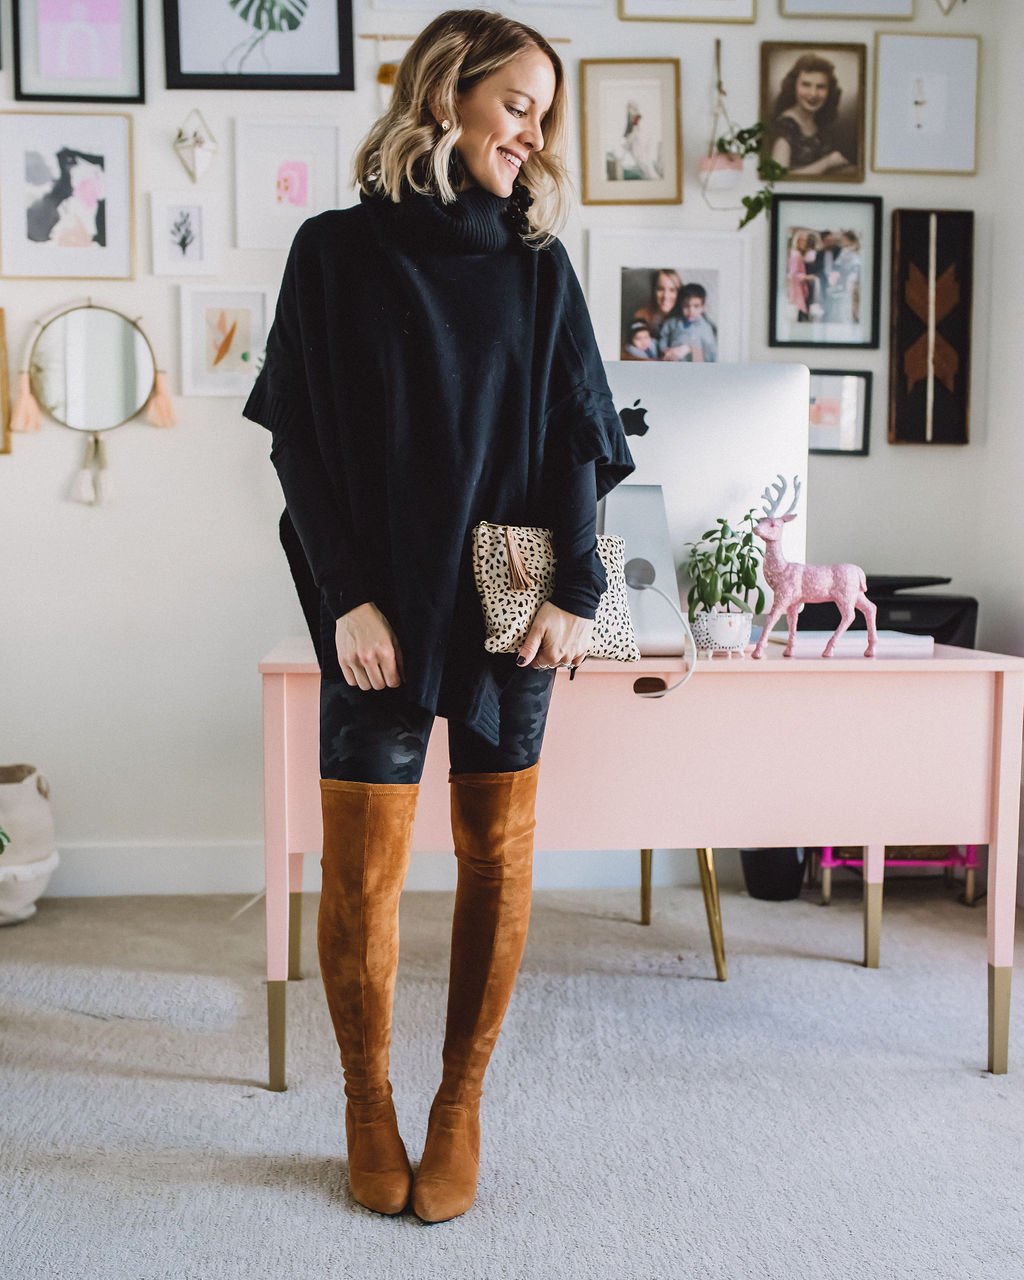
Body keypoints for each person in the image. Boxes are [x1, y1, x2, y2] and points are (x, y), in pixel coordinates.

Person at [242, 9, 634, 1225]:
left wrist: (579, 591)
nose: (534, 130)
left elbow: (579, 434)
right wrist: (345, 592)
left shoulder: (535, 261)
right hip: (377, 592)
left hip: (510, 588)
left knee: (497, 855)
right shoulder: (334, 251)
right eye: (516, 101)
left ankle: (459, 1100)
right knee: (361, 870)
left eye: (544, 110)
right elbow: (298, 437)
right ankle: (368, 1100)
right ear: (446, 94)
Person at [769, 52, 854, 178]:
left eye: (821, 87)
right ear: (793, 87)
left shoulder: (820, 121)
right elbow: (777, 177)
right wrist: (828, 162)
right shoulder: (786, 125)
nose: (813, 94)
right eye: (806, 85)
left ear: (829, 91)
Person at [657, 283, 718, 361]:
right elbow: (663, 336)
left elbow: (711, 353)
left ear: (703, 307)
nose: (691, 311)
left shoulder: (706, 328)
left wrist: (690, 349)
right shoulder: (672, 322)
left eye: (696, 306)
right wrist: (664, 349)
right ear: (681, 305)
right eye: (686, 306)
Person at [631, 267, 683, 351]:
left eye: (672, 290)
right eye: (660, 289)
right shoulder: (641, 316)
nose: (665, 296)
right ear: (653, 291)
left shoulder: (687, 318)